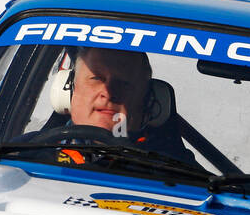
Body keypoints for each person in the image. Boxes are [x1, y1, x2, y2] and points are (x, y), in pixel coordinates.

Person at [56, 47, 197, 166]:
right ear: (70, 92)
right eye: (96, 78)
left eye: (124, 83)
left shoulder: (179, 173)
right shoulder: (35, 154)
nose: (108, 92)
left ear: (147, 103)